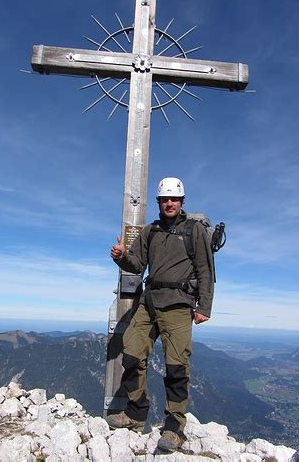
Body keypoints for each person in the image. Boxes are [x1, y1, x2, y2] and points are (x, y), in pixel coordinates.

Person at [108, 177, 214, 452]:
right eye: (165, 199)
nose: (169, 203)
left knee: (176, 367)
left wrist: (204, 307)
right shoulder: (150, 231)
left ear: (181, 203)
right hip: (150, 302)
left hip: (179, 305)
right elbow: (137, 263)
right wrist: (121, 256)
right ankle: (136, 412)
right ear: (159, 202)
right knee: (131, 352)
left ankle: (174, 426)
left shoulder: (194, 231)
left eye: (174, 199)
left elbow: (205, 269)